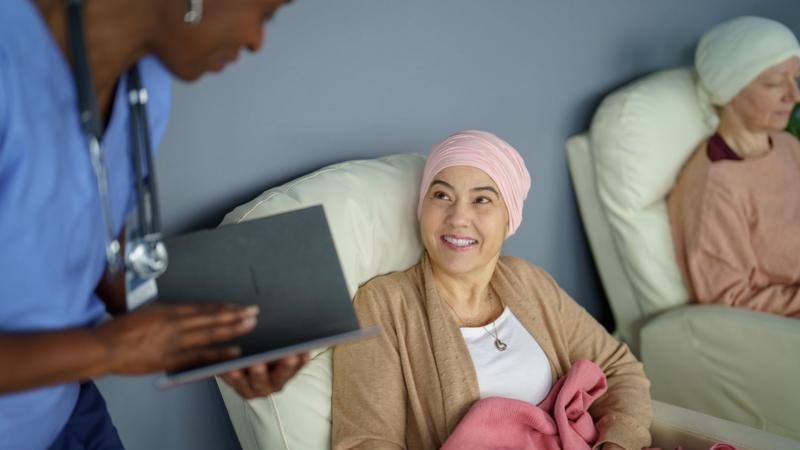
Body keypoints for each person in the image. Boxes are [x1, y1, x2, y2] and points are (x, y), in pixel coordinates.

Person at [0, 1, 309, 448]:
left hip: (65, 413)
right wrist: (112, 350)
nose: (255, 42)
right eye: (265, 12)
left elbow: (88, 235)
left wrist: (211, 338)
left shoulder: (146, 85)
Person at [331, 130, 652, 450]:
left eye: (481, 200)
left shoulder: (529, 281)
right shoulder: (382, 305)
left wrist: (617, 444)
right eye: (441, 195)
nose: (458, 218)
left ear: (509, 218)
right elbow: (367, 441)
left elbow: (619, 368)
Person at [668, 16, 800, 318]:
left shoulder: (787, 145)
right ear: (731, 91)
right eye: (774, 83)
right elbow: (731, 300)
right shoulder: (714, 188)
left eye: (796, 79)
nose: (795, 96)